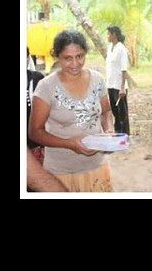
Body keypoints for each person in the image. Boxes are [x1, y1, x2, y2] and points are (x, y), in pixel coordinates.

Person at [28, 30, 115, 192]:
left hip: (97, 166)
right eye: (68, 58)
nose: (75, 63)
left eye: (80, 56)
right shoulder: (46, 87)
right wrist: (69, 144)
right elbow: (34, 132)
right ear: (57, 57)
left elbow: (106, 112)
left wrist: (109, 131)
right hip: (61, 173)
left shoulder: (97, 80)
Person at [105, 26, 131, 135]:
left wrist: (122, 87)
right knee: (114, 110)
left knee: (122, 112)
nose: (107, 36)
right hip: (110, 84)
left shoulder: (121, 48)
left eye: (108, 34)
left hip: (118, 85)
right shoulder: (110, 47)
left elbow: (124, 69)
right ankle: (117, 132)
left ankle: (125, 134)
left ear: (114, 35)